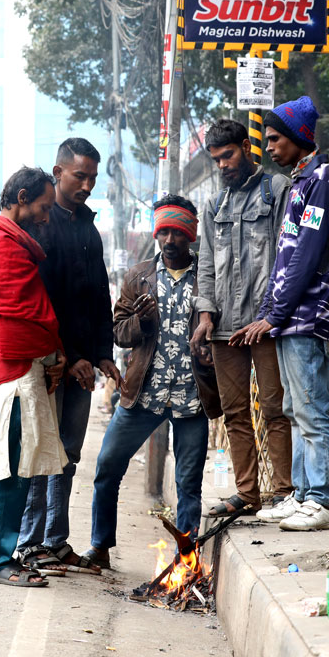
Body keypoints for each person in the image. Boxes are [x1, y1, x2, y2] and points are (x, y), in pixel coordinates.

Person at [83, 195, 223, 569]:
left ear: (190, 236)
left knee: (188, 482)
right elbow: (119, 333)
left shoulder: (207, 279)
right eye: (164, 233)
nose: (169, 241)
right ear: (157, 234)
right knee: (108, 466)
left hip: (192, 397)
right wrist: (141, 324)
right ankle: (99, 546)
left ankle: (187, 559)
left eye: (177, 233)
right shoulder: (138, 276)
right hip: (142, 394)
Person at [241, 95, 329, 532]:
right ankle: (302, 494)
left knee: (312, 407)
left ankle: (322, 499)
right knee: (295, 405)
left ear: (299, 138)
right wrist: (273, 311)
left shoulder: (321, 180)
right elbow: (285, 257)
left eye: (274, 140)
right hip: (290, 316)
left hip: (308, 313)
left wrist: (274, 313)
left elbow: (304, 256)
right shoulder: (301, 182)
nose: (268, 147)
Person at [17, 137, 121, 574]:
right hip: (49, 361)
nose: (86, 185)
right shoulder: (41, 225)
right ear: (58, 172)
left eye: (93, 178)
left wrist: (102, 355)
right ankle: (29, 543)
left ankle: (56, 540)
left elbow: (99, 297)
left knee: (69, 454)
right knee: (41, 452)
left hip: (79, 364)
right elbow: (46, 301)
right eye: (80, 176)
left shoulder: (89, 230)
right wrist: (69, 355)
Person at [0, 166, 68, 587]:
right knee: (6, 471)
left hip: (12, 369)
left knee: (16, 467)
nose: (46, 216)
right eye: (42, 206)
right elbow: (19, 316)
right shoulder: (3, 245)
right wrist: (52, 352)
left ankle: (1, 555)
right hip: (9, 371)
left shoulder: (3, 240)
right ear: (21, 198)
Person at [189, 118, 293, 520]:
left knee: (274, 407)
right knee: (235, 413)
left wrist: (274, 315)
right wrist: (205, 315)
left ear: (246, 148)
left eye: (227, 156)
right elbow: (207, 268)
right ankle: (247, 494)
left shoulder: (277, 190)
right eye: (216, 160)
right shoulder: (215, 205)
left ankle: (283, 492)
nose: (222, 166)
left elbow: (288, 256)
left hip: (265, 325)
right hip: (224, 328)